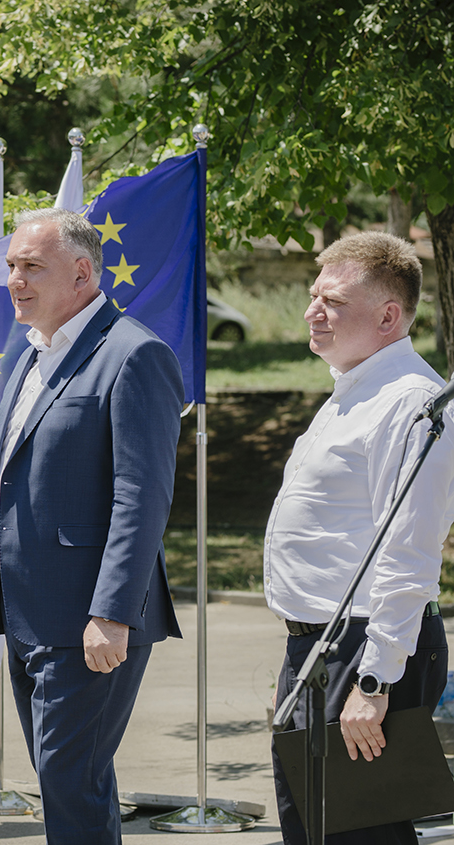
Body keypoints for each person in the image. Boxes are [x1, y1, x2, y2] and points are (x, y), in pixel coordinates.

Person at [0, 208, 183, 844]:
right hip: (24, 608)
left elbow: (141, 498)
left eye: (32, 267)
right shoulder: (27, 354)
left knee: (67, 777)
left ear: (82, 273)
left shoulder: (134, 354)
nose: (15, 281)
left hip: (88, 617)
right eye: (12, 267)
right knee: (68, 779)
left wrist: (112, 612)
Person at [265, 232, 454, 845]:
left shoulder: (410, 403)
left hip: (365, 648)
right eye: (313, 296)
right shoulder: (355, 390)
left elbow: (410, 553)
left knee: (361, 835)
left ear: (388, 317)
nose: (312, 312)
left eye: (334, 302)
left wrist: (374, 682)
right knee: (311, 830)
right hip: (317, 647)